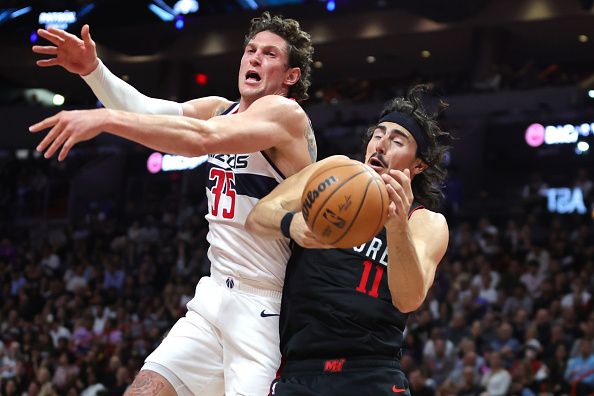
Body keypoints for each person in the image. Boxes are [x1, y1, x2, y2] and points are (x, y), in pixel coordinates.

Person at [31, 12, 315, 396]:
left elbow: (199, 139)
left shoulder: (286, 115)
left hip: (265, 308)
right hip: (214, 297)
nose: (254, 59)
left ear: (290, 76)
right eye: (250, 50)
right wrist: (93, 70)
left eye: (268, 54)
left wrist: (104, 120)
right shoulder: (221, 109)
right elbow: (147, 111)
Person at [245, 85, 450, 395]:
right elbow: (258, 216)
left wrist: (396, 227)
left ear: (418, 165)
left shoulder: (425, 221)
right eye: (378, 134)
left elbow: (408, 299)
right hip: (302, 370)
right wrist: (293, 223)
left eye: (397, 141)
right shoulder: (330, 174)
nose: (380, 145)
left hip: (372, 373)